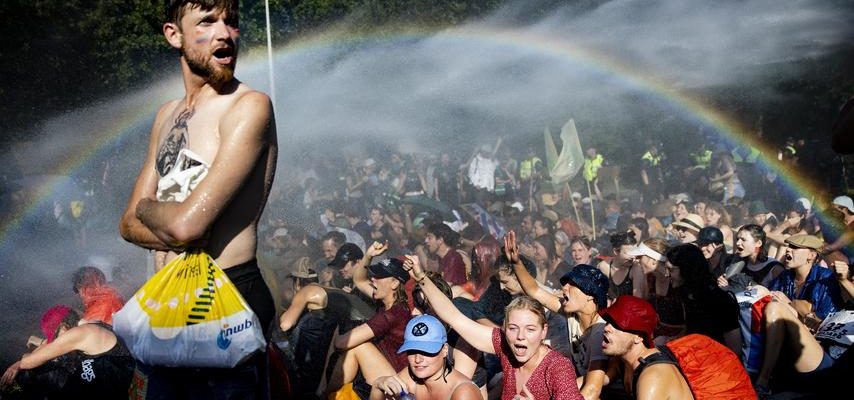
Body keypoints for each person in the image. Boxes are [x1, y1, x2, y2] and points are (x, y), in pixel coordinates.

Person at [117, 0, 277, 396]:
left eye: (232, 22)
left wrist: (151, 211)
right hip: (167, 300)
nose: (225, 33)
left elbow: (187, 226)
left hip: (226, 298)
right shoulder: (167, 115)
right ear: (174, 35)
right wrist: (162, 221)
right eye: (207, 21)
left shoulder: (247, 106)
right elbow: (127, 224)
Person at [404, 254, 584, 400]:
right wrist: (421, 277)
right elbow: (455, 317)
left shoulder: (557, 367)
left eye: (530, 329)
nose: (521, 336)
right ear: (505, 330)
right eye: (513, 328)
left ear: (543, 332)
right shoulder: (505, 345)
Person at [505, 231, 611, 400]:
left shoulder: (601, 332)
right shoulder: (573, 313)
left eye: (573, 285)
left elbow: (592, 391)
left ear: (591, 295)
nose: (564, 289)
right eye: (565, 284)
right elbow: (534, 290)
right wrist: (516, 262)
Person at [1, 306, 134, 398]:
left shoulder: (79, 333)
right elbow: (53, 346)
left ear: (64, 327)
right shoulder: (88, 324)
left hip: (115, 385)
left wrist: (17, 365)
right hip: (110, 374)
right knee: (56, 363)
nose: (56, 340)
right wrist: (41, 344)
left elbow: (31, 361)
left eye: (55, 336)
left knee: (32, 371)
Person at [370, 315, 481, 400]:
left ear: (445, 350)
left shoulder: (463, 393)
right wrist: (377, 385)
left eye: (427, 351)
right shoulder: (410, 377)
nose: (418, 359)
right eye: (412, 351)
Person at [664, 244, 742, 354]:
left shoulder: (719, 300)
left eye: (671, 270)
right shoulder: (685, 293)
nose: (666, 274)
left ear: (687, 268)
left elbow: (734, 348)